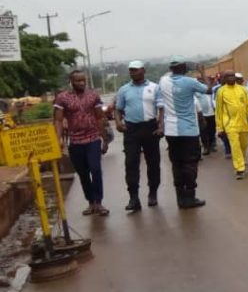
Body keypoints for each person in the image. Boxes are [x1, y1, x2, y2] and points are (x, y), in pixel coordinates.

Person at [54, 70, 109, 216]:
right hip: (75, 141)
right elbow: (58, 120)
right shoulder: (62, 98)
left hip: (93, 138)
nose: (82, 83)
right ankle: (90, 202)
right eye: (78, 81)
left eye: (83, 80)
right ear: (71, 82)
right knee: (83, 173)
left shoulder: (93, 96)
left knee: (95, 169)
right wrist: (57, 140)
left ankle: (99, 202)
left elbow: (99, 118)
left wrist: (105, 139)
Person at [160, 57, 211, 209]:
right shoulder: (189, 82)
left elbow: (169, 74)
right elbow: (208, 89)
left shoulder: (163, 81)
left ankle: (180, 197)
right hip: (188, 130)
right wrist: (202, 72)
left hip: (171, 131)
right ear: (184, 69)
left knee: (176, 163)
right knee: (190, 163)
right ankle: (190, 196)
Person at [114, 60, 164, 212]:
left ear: (143, 70)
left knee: (153, 163)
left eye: (135, 70)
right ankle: (133, 198)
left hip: (150, 127)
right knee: (131, 163)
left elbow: (161, 109)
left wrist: (161, 126)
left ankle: (153, 193)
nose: (132, 72)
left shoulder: (154, 87)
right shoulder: (123, 90)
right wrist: (118, 122)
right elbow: (118, 109)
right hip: (131, 129)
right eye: (130, 70)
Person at [216, 71, 248, 180]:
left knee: (244, 144)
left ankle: (242, 158)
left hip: (244, 124)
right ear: (225, 79)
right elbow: (219, 111)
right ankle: (239, 168)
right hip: (230, 125)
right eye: (228, 76)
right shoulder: (221, 91)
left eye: (233, 76)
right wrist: (219, 127)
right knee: (235, 146)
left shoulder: (243, 90)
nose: (231, 78)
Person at [195, 78, 216, 155]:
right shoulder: (196, 92)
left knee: (212, 131)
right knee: (203, 131)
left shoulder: (209, 90)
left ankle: (211, 145)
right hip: (202, 115)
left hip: (212, 113)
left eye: (202, 81)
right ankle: (206, 147)